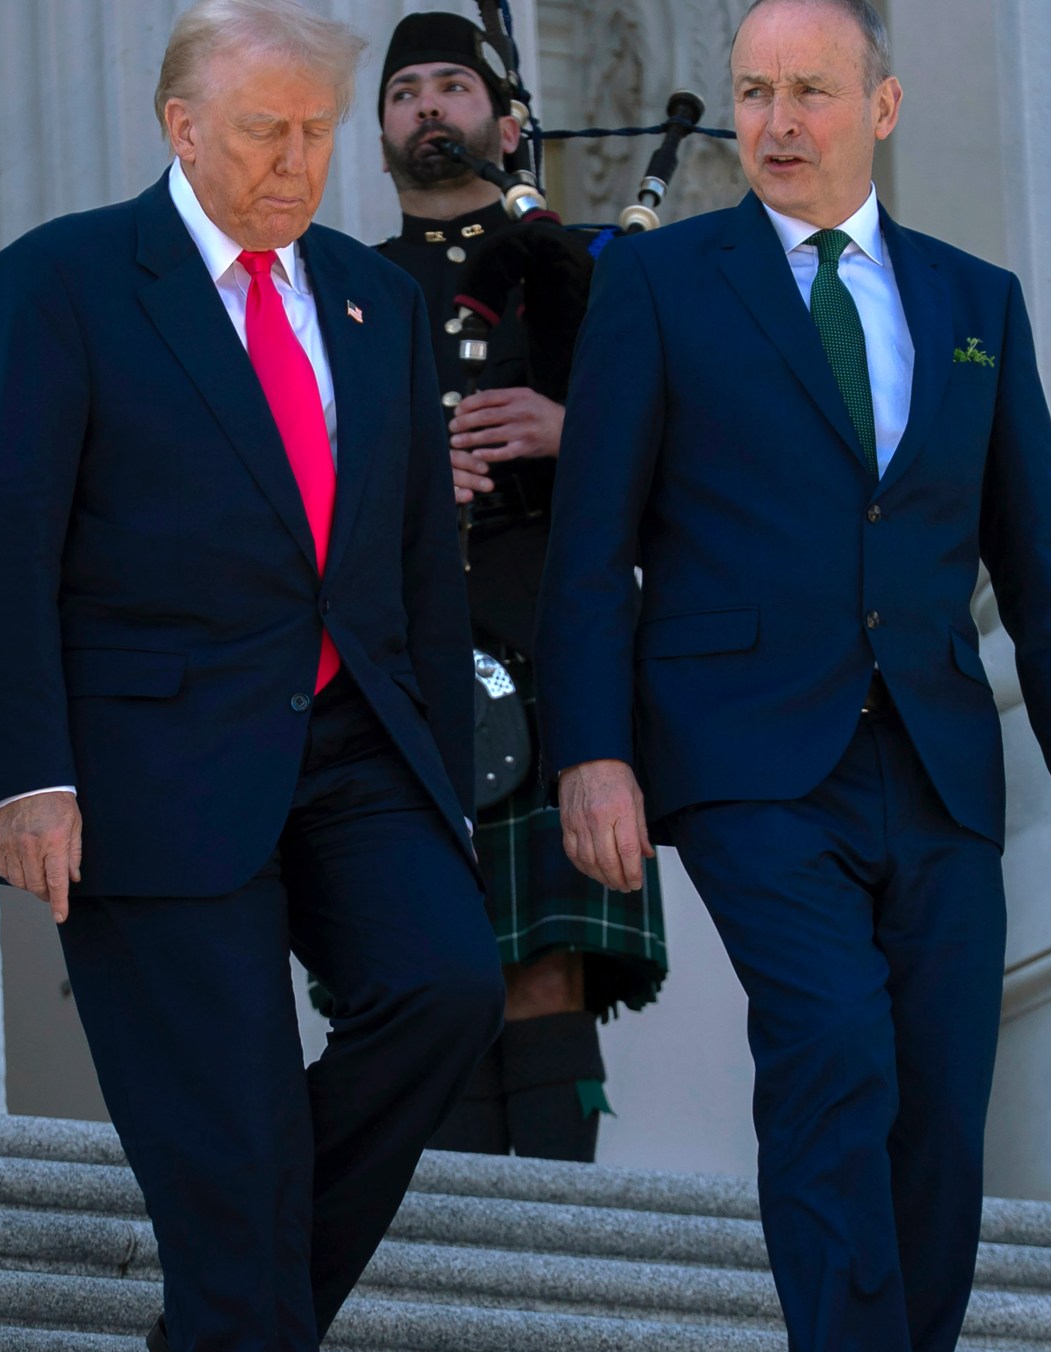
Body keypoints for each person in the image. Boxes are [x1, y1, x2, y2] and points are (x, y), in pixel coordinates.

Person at [538, 1, 1051, 1352]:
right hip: (747, 758)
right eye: (753, 92)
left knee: (936, 1124)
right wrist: (593, 750)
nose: (776, 122)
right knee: (834, 1059)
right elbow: (589, 545)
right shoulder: (663, 286)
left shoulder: (974, 302)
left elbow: (1037, 557)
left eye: (810, 90)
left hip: (934, 759)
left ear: (881, 104)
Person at [0, 1, 502, 1352]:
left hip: (355, 742)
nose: (296, 161)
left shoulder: (378, 301)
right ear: (182, 128)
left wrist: (440, 770)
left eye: (315, 132)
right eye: (263, 131)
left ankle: (230, 1298)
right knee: (229, 1142)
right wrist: (25, 774)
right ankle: (242, 1348)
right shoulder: (64, 280)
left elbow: (420, 563)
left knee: (446, 989)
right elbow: (2, 542)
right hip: (141, 762)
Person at [369, 12, 666, 1163]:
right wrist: (396, 479)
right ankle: (440, 1253)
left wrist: (569, 426)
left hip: (550, 642)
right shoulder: (343, 288)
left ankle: (554, 1248)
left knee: (545, 971)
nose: (428, 108)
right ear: (383, 129)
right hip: (404, 660)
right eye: (404, 94)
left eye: (452, 86)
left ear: (503, 119)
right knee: (417, 968)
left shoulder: (587, 275)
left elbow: (696, 454)